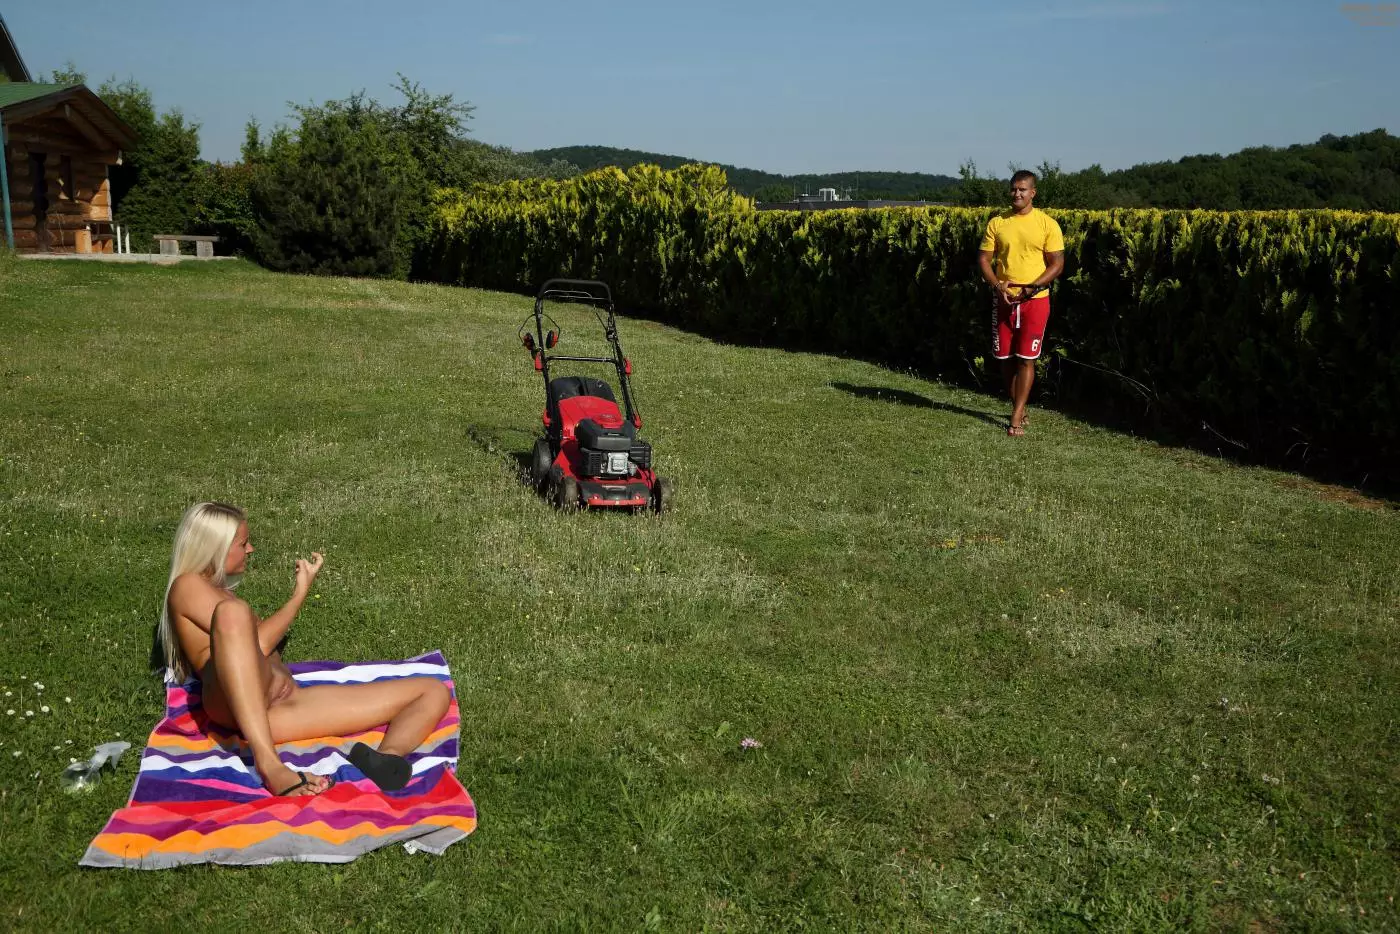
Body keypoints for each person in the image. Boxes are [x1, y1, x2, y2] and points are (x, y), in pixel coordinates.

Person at [157, 502, 451, 797]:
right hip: (234, 705)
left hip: (284, 706)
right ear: (216, 547)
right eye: (243, 543)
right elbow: (259, 644)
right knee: (233, 613)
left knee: (432, 691)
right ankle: (269, 764)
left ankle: (386, 757)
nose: (251, 549)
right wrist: (299, 595)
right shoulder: (188, 585)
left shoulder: (222, 594)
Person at [977, 170, 1065, 436]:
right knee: (1005, 359)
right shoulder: (997, 223)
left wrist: (1033, 287)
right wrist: (997, 285)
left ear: (1032, 193)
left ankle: (1015, 417)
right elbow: (984, 259)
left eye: (1022, 189)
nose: (1017, 193)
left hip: (1034, 300)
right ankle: (1020, 406)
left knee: (1026, 359)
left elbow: (1057, 263)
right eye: (1014, 189)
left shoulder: (1047, 224)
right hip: (1004, 299)